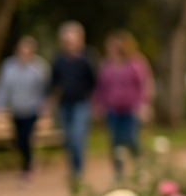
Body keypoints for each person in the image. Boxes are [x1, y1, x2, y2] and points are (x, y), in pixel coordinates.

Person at [93, 31, 152, 179]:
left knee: (131, 139)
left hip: (130, 108)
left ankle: (140, 167)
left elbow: (144, 85)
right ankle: (118, 174)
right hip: (112, 108)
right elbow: (100, 87)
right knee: (115, 142)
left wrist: (144, 105)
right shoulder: (106, 64)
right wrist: (97, 104)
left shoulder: (135, 63)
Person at [0, 36, 49, 183]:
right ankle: (29, 163)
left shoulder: (39, 67)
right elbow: (2, 87)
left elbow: (45, 88)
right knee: (19, 140)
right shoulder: (8, 66)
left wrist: (44, 105)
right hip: (16, 110)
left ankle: (27, 168)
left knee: (26, 138)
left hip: (32, 109)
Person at [48, 21, 96, 187]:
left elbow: (93, 83)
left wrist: (95, 103)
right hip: (64, 104)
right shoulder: (59, 60)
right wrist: (49, 103)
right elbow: (54, 84)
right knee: (67, 139)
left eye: (71, 39)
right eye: (65, 39)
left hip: (81, 104)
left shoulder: (86, 59)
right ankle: (73, 169)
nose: (68, 43)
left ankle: (78, 171)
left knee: (77, 136)